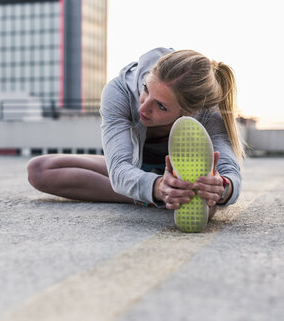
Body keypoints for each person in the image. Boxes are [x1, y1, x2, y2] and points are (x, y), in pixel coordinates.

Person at [27, 47, 244, 220]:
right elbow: (120, 168)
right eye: (146, 89)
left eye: (160, 106)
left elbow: (230, 173)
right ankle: (159, 197)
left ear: (189, 112)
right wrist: (158, 188)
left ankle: (178, 193)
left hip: (185, 175)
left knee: (208, 199)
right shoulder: (118, 91)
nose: (143, 108)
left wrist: (221, 188)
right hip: (137, 167)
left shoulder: (207, 112)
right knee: (39, 169)